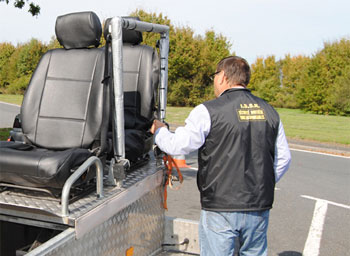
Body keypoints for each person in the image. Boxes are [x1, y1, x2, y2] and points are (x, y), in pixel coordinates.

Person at [150, 56, 291, 256]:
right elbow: (283, 158)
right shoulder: (269, 111)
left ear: (223, 77)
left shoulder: (208, 111)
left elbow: (178, 145)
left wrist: (159, 131)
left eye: (214, 76)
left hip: (221, 204)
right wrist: (261, 183)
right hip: (258, 204)